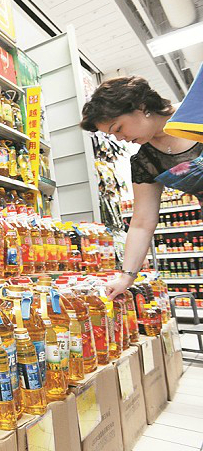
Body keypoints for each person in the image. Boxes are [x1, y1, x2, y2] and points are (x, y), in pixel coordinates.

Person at [81, 75, 203, 299]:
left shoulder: (196, 113)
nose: (119, 138)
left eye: (118, 128)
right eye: (112, 135)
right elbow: (142, 223)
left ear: (141, 106)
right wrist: (126, 277)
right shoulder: (145, 161)